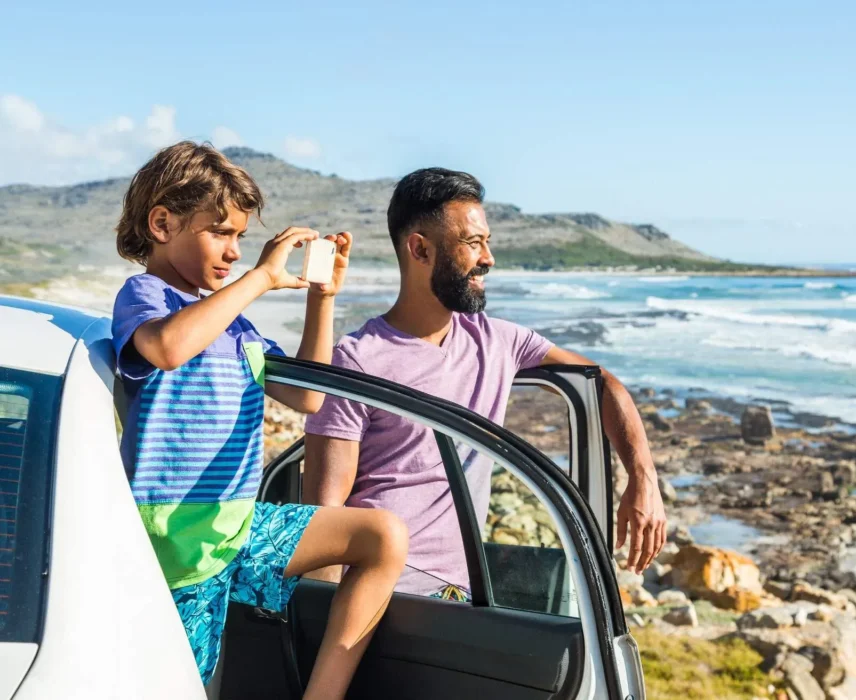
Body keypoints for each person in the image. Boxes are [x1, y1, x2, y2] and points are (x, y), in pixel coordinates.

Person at [112, 141, 407, 697]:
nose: (232, 252)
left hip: (238, 529)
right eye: (220, 233)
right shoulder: (146, 295)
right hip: (176, 545)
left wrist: (322, 299)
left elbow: (309, 396)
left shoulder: (237, 328)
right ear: (161, 222)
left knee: (381, 536)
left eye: (240, 238)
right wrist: (262, 278)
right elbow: (169, 348)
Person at [303, 167, 665, 598]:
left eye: (486, 242)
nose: (488, 258)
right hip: (380, 603)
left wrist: (642, 479)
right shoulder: (357, 359)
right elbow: (323, 516)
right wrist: (317, 630)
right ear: (420, 249)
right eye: (472, 243)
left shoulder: (497, 341)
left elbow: (601, 383)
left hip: (462, 599)